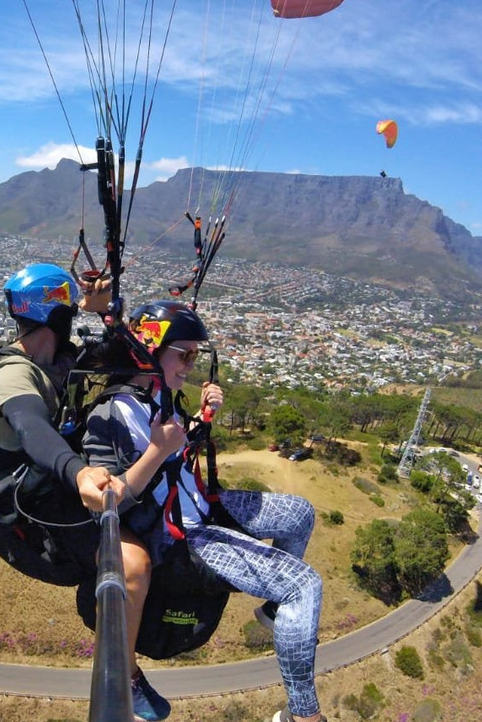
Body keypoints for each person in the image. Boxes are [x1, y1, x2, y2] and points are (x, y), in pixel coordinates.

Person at [83, 300, 326, 722]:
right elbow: (113, 500)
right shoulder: (110, 414)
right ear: (149, 349)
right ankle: (303, 716)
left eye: (197, 355)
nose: (191, 365)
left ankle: (273, 613)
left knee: (299, 513)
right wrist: (159, 450)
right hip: (179, 537)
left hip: (194, 503)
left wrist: (201, 417)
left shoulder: (158, 396)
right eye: (185, 354)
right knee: (303, 586)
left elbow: (177, 450)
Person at [0, 263, 127, 517]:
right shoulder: (12, 373)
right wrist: (79, 472)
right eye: (69, 312)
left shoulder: (63, 358)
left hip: (55, 479)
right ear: (59, 317)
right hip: (33, 497)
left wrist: (104, 311)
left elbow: (125, 358)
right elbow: (31, 427)